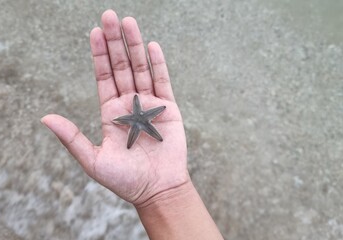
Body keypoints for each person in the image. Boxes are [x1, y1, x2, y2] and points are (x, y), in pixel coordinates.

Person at [41, 9, 224, 240]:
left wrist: (161, 193)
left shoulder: (141, 119)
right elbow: (134, 118)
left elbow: (139, 117)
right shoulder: (135, 119)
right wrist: (165, 194)